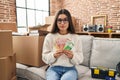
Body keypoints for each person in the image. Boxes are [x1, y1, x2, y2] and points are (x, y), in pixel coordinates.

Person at [42, 9, 83, 80]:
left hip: (70, 69)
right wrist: (53, 55)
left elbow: (80, 58)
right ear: (56, 22)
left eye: (65, 20)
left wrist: (72, 56)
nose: (62, 23)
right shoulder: (50, 37)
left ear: (69, 21)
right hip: (53, 69)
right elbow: (44, 57)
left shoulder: (76, 38)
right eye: (59, 20)